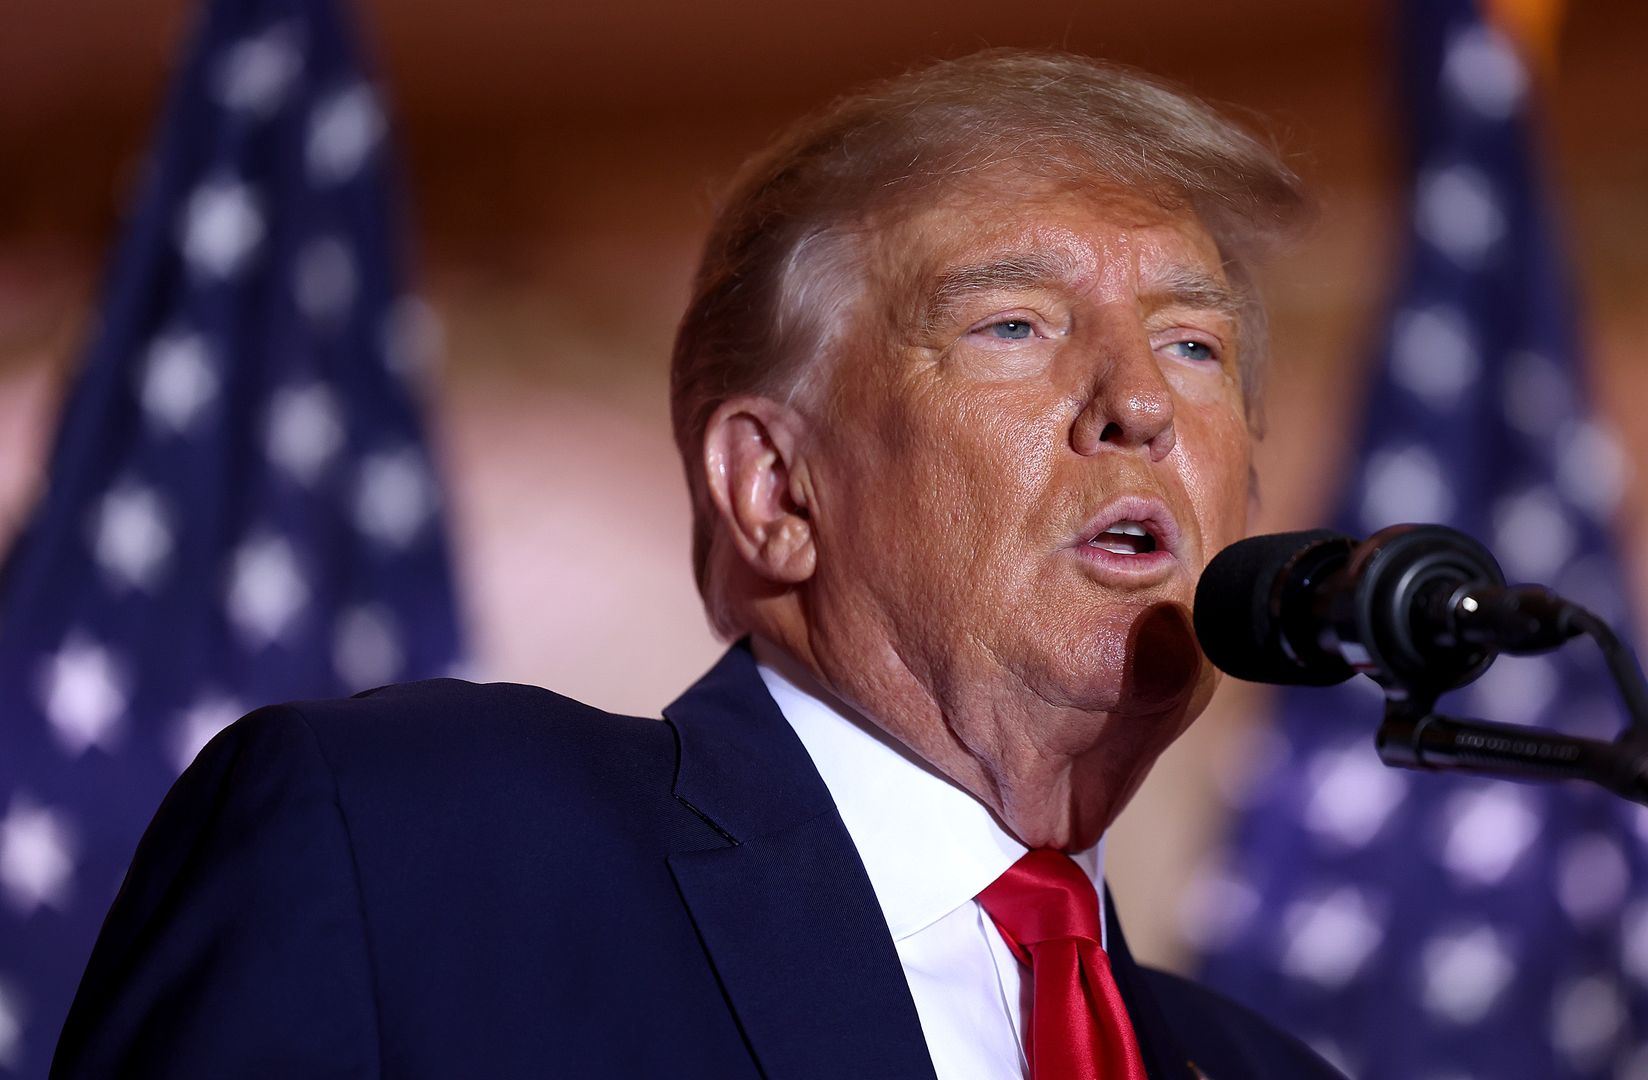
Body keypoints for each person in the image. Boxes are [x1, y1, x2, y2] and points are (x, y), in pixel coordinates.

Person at [54, 50, 1344, 1079]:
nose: (1140, 406)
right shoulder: (415, 856)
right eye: (1013, 324)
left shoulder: (1259, 1067)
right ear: (774, 489)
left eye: (1194, 346)